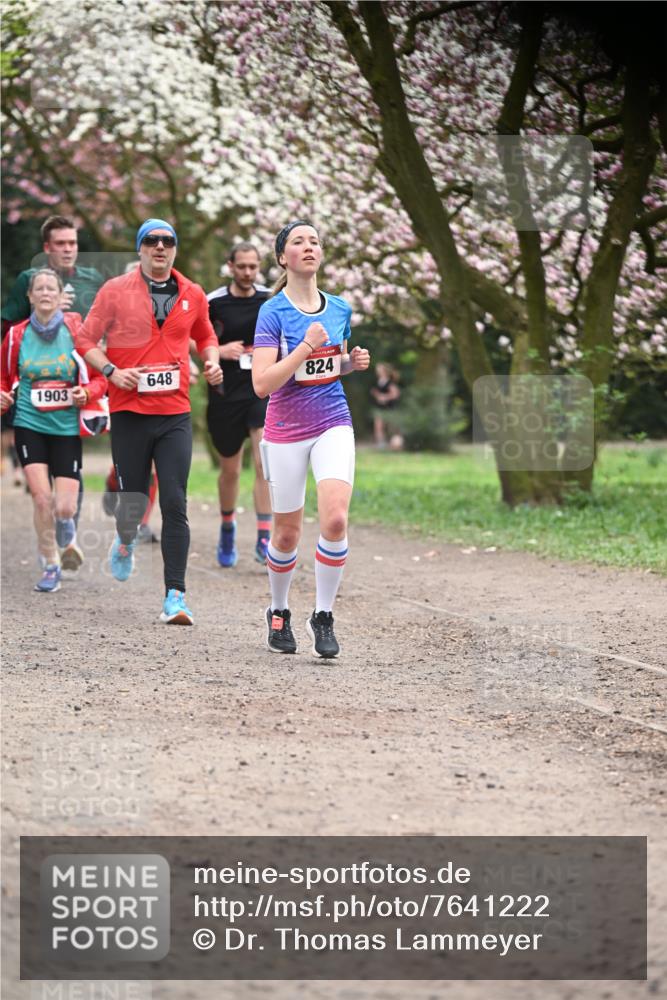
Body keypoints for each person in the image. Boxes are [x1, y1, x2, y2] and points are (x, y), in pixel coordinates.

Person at [75, 218, 223, 625]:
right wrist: (111, 372)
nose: (160, 247)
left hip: (174, 412)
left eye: (168, 241)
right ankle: (124, 540)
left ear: (174, 248)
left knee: (175, 501)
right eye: (152, 241)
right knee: (134, 499)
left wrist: (210, 361)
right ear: (140, 249)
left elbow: (206, 335)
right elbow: (84, 339)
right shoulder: (115, 291)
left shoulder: (192, 293)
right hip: (128, 411)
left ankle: (175, 596)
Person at [252, 220, 370, 658]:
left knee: (336, 519)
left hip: (332, 421)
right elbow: (263, 384)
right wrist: (304, 346)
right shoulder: (273, 312)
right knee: (285, 534)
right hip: (284, 431)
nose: (308, 247)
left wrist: (349, 365)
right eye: (298, 242)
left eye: (314, 241)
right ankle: (278, 610)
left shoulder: (339, 308)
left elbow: (327, 367)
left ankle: (322, 616)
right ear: (283, 257)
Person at [1, 215, 105, 570]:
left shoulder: (92, 281)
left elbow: (109, 326)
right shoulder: (28, 281)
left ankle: (67, 530)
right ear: (47, 248)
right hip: (34, 386)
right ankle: (61, 545)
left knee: (69, 480)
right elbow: (8, 325)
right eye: (60, 244)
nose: (67, 249)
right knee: (45, 492)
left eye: (72, 243)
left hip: (81, 381)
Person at [207, 242, 272, 567]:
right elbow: (194, 342)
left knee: (263, 462)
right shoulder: (214, 301)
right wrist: (219, 351)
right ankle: (228, 527)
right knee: (230, 471)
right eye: (242, 266)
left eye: (253, 266)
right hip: (225, 395)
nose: (248, 272)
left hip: (260, 391)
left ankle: (264, 536)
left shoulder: (269, 299)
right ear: (230, 266)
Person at [370, 362, 402, 449]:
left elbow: (395, 394)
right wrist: (376, 394)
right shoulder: (378, 381)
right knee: (378, 426)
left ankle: (394, 444)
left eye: (379, 368)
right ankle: (381, 445)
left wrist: (384, 397)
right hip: (380, 408)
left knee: (391, 427)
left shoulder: (389, 382)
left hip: (389, 408)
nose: (377, 370)